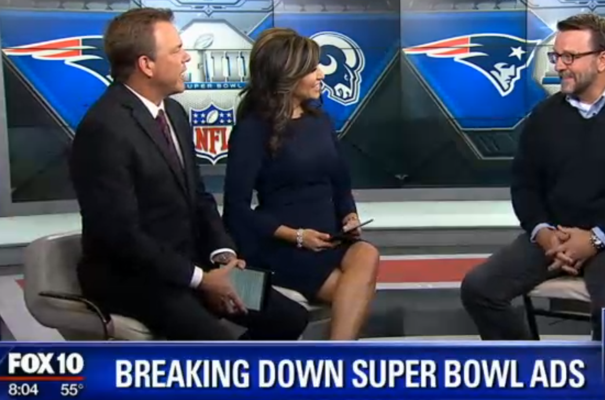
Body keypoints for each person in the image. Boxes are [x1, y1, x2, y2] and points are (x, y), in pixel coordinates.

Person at [69, 8, 309, 341]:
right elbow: (121, 236)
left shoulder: (174, 112)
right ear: (146, 64)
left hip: (193, 266)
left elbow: (199, 197)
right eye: (177, 50)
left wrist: (223, 256)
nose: (186, 58)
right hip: (134, 278)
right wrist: (201, 279)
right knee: (217, 345)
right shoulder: (104, 128)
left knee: (290, 317)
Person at [460, 13, 605, 341]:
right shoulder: (544, 116)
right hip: (557, 238)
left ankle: (604, 375)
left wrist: (595, 239)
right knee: (479, 288)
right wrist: (543, 233)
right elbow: (525, 185)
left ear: (603, 59)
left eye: (570, 57)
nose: (559, 66)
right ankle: (529, 368)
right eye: (556, 56)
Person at [222, 28, 380, 341]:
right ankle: (339, 360)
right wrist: (296, 236)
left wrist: (349, 215)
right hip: (280, 247)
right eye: (312, 69)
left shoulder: (320, 121)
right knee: (352, 294)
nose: (322, 74)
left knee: (367, 254)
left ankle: (336, 358)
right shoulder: (253, 129)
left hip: (328, 239)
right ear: (287, 76)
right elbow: (236, 210)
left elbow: (340, 181)